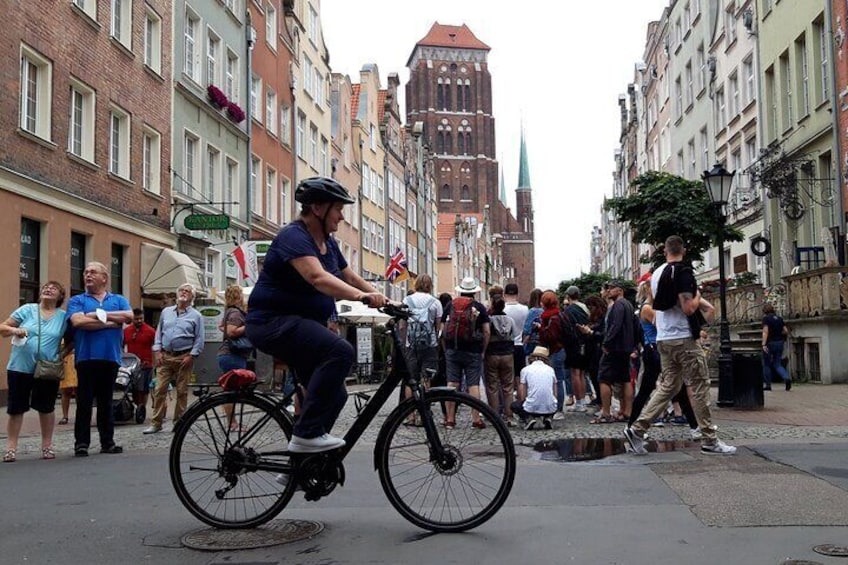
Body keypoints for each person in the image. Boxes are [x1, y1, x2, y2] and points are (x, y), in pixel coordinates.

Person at [246, 177, 388, 453]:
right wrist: (362, 298)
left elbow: (348, 275)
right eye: (338, 209)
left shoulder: (328, 243)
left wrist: (383, 299)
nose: (342, 216)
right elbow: (317, 277)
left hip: (301, 324)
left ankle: (301, 461)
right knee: (341, 351)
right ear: (318, 208)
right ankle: (307, 434)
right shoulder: (294, 236)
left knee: (335, 394)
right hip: (272, 323)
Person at [624, 235, 737, 455]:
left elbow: (664, 303)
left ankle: (637, 429)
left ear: (665, 251)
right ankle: (709, 439)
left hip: (663, 338)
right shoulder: (684, 272)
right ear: (683, 251)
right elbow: (687, 308)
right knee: (700, 385)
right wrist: (699, 297)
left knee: (669, 386)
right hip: (684, 338)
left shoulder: (656, 274)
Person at [67, 262, 134, 456]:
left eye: (92, 272)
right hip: (86, 357)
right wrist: (110, 323)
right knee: (84, 402)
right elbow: (78, 321)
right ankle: (81, 443)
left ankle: (108, 442)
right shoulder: (77, 300)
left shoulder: (118, 299)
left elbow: (128, 316)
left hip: (110, 357)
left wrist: (95, 315)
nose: (87, 275)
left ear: (104, 278)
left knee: (106, 402)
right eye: (86, 272)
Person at [1, 281, 68, 462]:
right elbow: (3, 328)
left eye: (54, 288)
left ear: (60, 297)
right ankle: (11, 448)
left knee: (46, 407)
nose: (48, 289)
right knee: (16, 408)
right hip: (19, 367)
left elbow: (72, 340)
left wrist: (61, 355)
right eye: (46, 287)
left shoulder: (63, 317)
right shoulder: (27, 310)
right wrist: (15, 329)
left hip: (47, 368)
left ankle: (47, 447)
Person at [144, 283, 205, 434]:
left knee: (182, 391)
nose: (184, 293)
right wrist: (157, 352)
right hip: (165, 356)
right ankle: (156, 423)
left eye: (188, 291)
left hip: (184, 356)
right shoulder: (166, 312)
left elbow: (199, 338)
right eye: (182, 290)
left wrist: (192, 355)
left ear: (192, 297)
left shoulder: (196, 316)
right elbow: (159, 333)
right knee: (159, 389)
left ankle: (179, 422)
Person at [441, 276, 490, 428]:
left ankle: (450, 419)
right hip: (473, 350)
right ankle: (476, 419)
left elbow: (442, 330)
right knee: (473, 384)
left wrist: (445, 348)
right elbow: (487, 331)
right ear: (474, 292)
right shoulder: (480, 307)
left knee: (452, 384)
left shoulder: (450, 305)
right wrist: (483, 349)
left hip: (452, 349)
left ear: (461, 291)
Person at [591, 280, 637, 424]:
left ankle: (605, 413)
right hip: (626, 348)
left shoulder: (618, 305)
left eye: (612, 288)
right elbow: (635, 326)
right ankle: (627, 411)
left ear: (620, 290)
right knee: (625, 379)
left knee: (603, 378)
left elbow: (615, 326)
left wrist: (607, 343)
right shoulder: (629, 305)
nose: (609, 290)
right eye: (608, 288)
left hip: (615, 348)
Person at [401, 274, 442, 388]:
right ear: (430, 286)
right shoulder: (435, 302)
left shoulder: (407, 300)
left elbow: (402, 325)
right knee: (427, 376)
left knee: (411, 379)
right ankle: (425, 403)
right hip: (430, 344)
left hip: (411, 344)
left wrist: (405, 343)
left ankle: (410, 404)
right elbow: (438, 327)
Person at [537, 290, 569, 420]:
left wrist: (540, 329)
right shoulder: (557, 314)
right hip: (559, 350)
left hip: (556, 351)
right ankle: (555, 407)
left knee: (558, 380)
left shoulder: (552, 318)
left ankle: (558, 409)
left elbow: (551, 336)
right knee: (557, 379)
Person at [484, 294, 516, 425]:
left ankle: (495, 416)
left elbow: (485, 334)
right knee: (508, 386)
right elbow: (513, 335)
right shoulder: (510, 320)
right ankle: (509, 416)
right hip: (507, 354)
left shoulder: (490, 320)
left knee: (493, 386)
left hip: (492, 354)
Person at [511, 346, 557, 430]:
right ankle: (548, 417)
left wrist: (522, 402)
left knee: (515, 405)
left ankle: (528, 418)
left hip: (532, 407)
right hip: (550, 407)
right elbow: (555, 392)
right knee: (552, 401)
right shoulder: (551, 370)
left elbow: (522, 393)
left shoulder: (525, 370)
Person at [123, 308, 155, 422]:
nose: (139, 320)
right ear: (132, 319)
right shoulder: (127, 331)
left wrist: (154, 363)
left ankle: (142, 408)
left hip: (146, 365)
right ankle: (136, 407)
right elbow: (121, 346)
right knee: (134, 389)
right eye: (137, 319)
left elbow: (156, 347)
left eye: (141, 318)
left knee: (143, 389)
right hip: (131, 365)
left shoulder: (150, 331)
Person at [563, 285, 591, 412]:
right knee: (582, 373)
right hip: (585, 342)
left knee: (575, 373)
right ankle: (583, 401)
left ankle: (579, 402)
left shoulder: (569, 310)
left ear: (568, 296)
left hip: (574, 344)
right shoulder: (584, 308)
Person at [503, 283, 529, 396]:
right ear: (517, 294)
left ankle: (507, 406)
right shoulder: (525, 309)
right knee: (520, 378)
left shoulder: (503, 309)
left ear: (504, 294)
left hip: (506, 346)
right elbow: (526, 329)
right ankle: (521, 402)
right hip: (519, 345)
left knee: (507, 379)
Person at [762, 303, 791, 391]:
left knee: (766, 364)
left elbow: (765, 331)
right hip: (779, 342)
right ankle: (786, 377)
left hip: (770, 343)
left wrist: (763, 344)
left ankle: (768, 385)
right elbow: (785, 331)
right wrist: (779, 334)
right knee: (777, 363)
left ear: (765, 311)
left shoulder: (766, 319)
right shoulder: (779, 319)